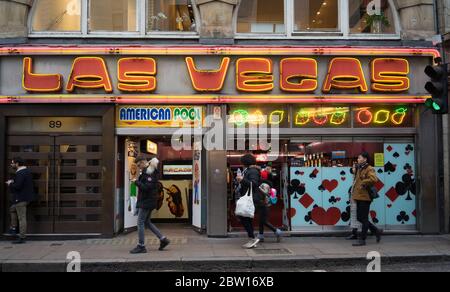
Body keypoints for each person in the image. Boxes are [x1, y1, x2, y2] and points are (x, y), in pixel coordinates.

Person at [130, 157, 170, 254]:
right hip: (147, 201)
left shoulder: (150, 173)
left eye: (139, 164)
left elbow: (146, 187)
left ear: (144, 162)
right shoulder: (146, 171)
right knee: (147, 222)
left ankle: (141, 246)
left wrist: (136, 182)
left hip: (147, 202)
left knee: (140, 222)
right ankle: (163, 239)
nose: (138, 167)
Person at [351, 152, 382, 247]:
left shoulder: (369, 168)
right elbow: (356, 179)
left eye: (359, 158)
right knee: (360, 218)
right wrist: (354, 170)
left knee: (363, 218)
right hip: (358, 196)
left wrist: (363, 183)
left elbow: (374, 179)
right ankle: (376, 231)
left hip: (365, 197)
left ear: (365, 159)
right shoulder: (360, 168)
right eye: (358, 158)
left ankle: (362, 239)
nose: (358, 159)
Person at [236, 154, 264, 249]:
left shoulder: (253, 171)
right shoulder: (248, 170)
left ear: (245, 162)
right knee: (246, 217)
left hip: (252, 198)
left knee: (243, 216)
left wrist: (242, 180)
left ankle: (252, 237)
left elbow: (254, 184)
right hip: (248, 197)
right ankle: (252, 238)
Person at [6, 157, 35, 244]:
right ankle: (13, 228)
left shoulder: (21, 173)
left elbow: (18, 186)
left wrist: (10, 184)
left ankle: (22, 237)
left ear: (17, 164)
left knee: (22, 218)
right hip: (25, 197)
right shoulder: (26, 171)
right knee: (12, 209)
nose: (11, 164)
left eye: (12, 163)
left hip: (21, 198)